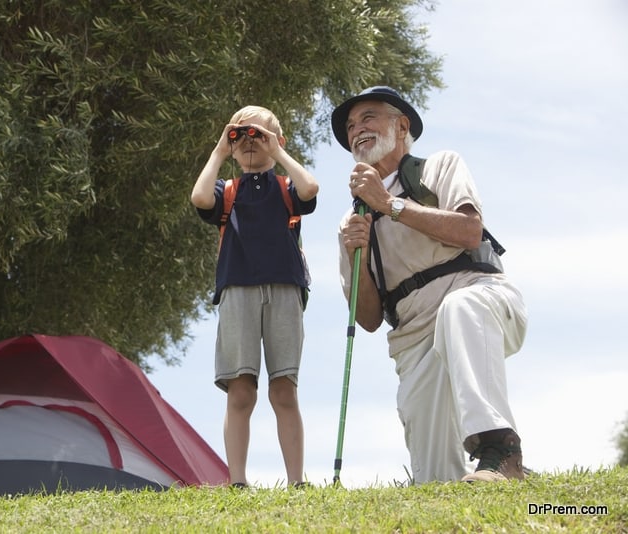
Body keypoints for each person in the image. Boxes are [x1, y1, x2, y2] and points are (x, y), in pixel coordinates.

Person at [331, 86, 528, 484]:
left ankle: (500, 448)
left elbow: (471, 231)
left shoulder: (439, 167)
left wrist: (390, 206)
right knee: (435, 480)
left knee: (460, 308)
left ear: (401, 125)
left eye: (368, 117)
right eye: (351, 126)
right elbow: (368, 319)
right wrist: (358, 255)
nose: (356, 130)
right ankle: (493, 483)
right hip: (413, 337)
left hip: (480, 297)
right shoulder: (352, 223)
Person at [191, 105, 319, 487]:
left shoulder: (284, 188)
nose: (249, 142)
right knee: (240, 388)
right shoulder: (227, 190)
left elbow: (310, 189)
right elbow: (199, 198)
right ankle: (238, 481)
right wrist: (219, 151)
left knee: (284, 388)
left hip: (284, 288)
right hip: (237, 289)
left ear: (276, 141)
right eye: (241, 135)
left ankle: (297, 480)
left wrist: (276, 151)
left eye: (258, 136)